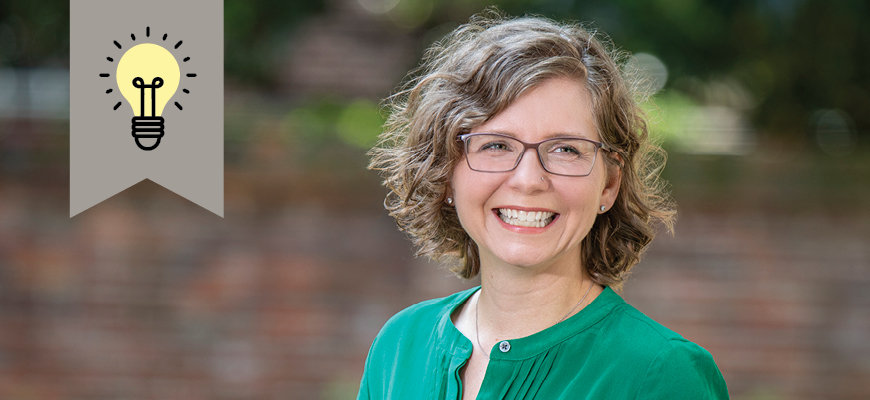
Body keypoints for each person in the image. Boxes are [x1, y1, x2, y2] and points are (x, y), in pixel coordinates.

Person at [358, 10, 729, 400]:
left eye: (566, 149)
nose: (529, 180)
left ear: (610, 184)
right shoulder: (400, 346)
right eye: (496, 145)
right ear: (446, 170)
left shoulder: (663, 374)